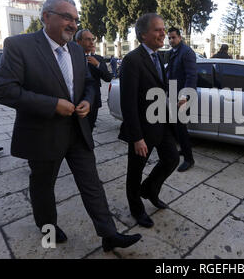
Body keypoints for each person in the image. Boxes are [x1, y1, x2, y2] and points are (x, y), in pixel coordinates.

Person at [0, 0, 141, 252]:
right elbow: (1, 89)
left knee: (92, 183)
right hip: (43, 135)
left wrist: (88, 101)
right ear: (46, 17)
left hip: (77, 132)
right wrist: (52, 105)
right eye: (67, 17)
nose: (73, 24)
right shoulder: (18, 45)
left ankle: (109, 234)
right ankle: (47, 228)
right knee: (43, 186)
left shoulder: (75, 49)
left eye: (75, 19)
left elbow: (90, 84)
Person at [119, 13, 179, 228]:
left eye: (163, 29)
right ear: (143, 35)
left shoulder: (158, 56)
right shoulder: (132, 60)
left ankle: (149, 189)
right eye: (158, 30)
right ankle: (137, 209)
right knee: (135, 173)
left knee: (172, 159)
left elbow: (156, 89)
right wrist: (136, 138)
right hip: (142, 130)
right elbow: (128, 103)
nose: (163, 33)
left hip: (161, 123)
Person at [166, 27, 197, 172]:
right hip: (173, 94)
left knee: (181, 128)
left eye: (173, 37)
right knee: (176, 126)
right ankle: (184, 150)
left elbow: (191, 76)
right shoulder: (173, 52)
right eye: (169, 38)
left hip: (183, 96)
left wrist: (184, 96)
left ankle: (189, 159)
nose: (171, 40)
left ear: (180, 37)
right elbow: (170, 73)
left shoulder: (187, 52)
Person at [76, 29, 112, 131]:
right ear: (78, 42)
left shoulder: (98, 59)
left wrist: (98, 65)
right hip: (75, 101)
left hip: (93, 101)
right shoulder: (71, 57)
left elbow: (108, 78)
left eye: (93, 39)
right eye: (88, 39)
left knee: (89, 130)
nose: (92, 42)